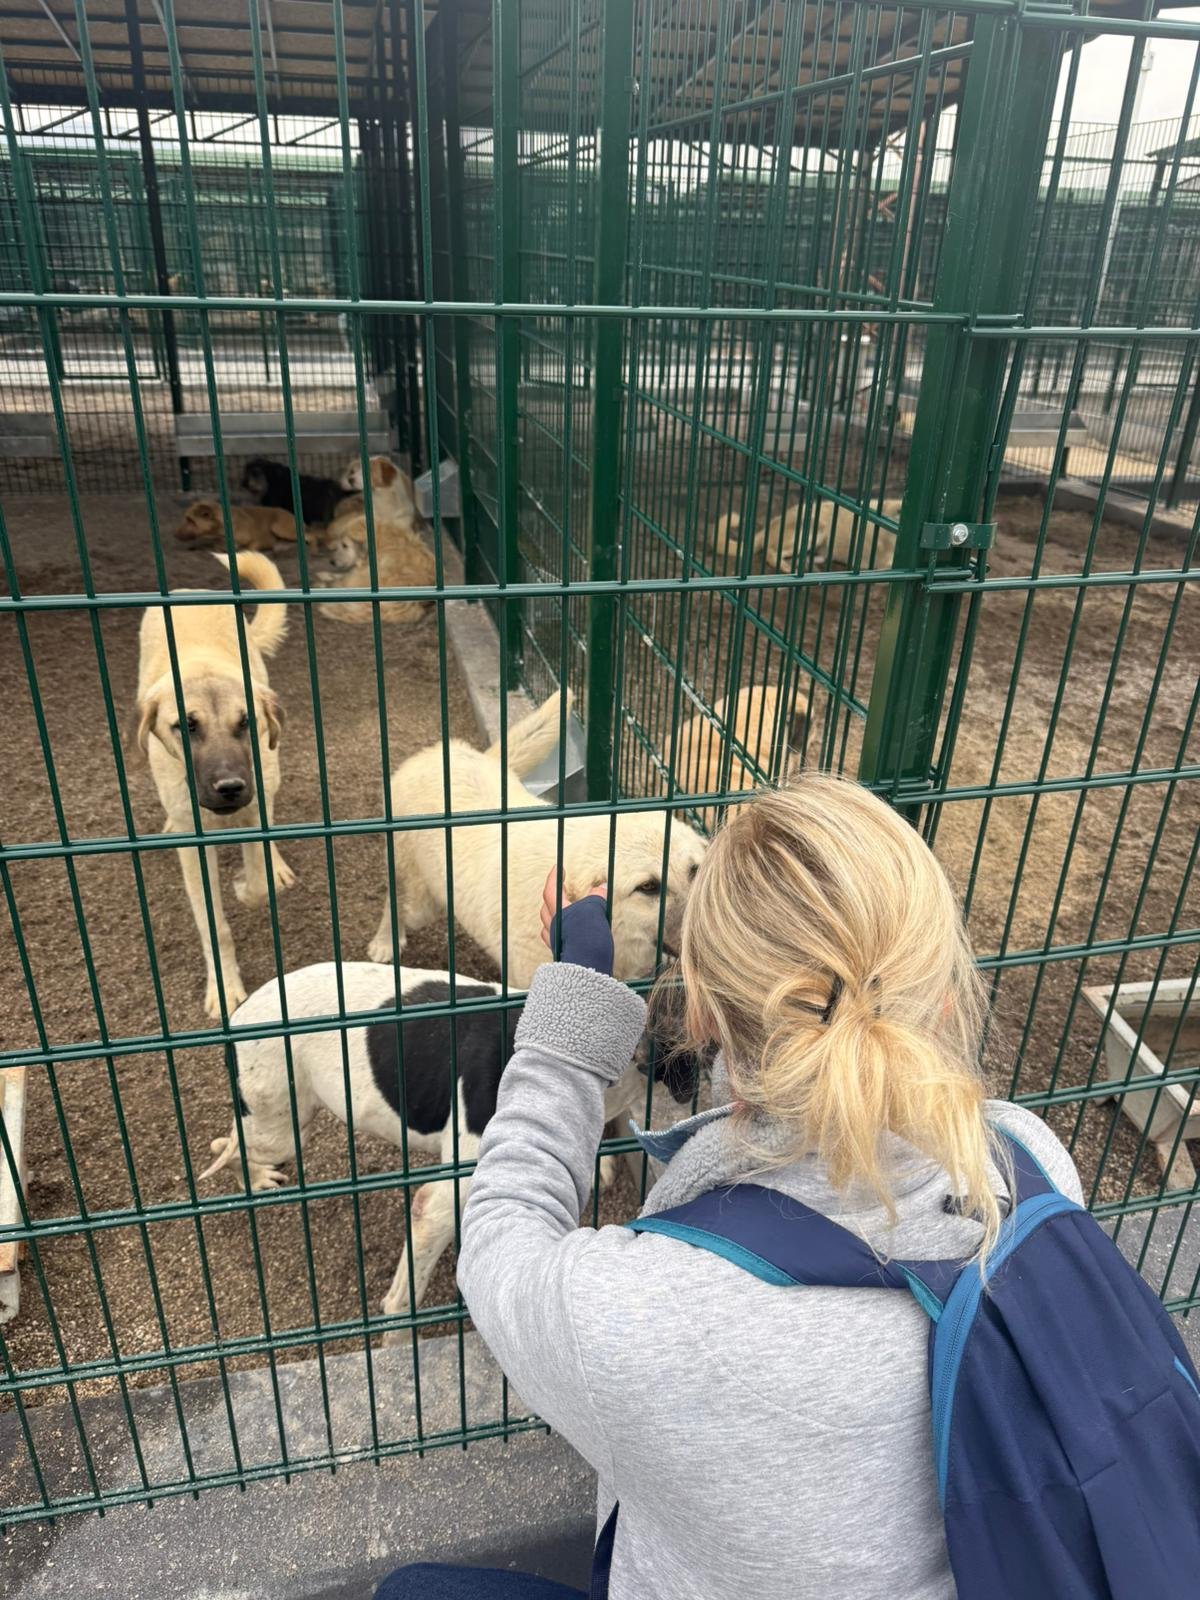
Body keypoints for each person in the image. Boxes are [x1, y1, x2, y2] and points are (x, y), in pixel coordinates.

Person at [375, 773, 1084, 1599]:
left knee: (411, 1591)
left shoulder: (649, 1307)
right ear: (947, 985)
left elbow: (501, 1231)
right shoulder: (1031, 1166)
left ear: (702, 1015)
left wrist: (573, 1011)